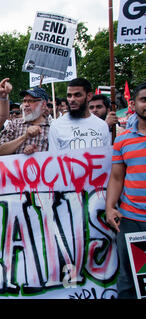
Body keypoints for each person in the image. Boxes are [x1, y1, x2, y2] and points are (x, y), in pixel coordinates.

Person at [105, 82, 146, 299]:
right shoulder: (123, 140)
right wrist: (110, 207)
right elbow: (117, 177)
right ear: (133, 104)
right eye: (144, 99)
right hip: (131, 221)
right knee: (130, 280)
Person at [48, 78, 111, 152]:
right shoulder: (57, 125)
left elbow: (106, 156)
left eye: (77, 95)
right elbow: (54, 158)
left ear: (89, 96)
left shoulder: (102, 125)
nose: (72, 100)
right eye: (69, 96)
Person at [0, 87, 51, 156]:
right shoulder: (14, 124)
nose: (26, 105)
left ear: (43, 104)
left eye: (31, 101)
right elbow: (0, 151)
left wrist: (38, 155)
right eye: (24, 101)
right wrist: (25, 136)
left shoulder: (52, 127)